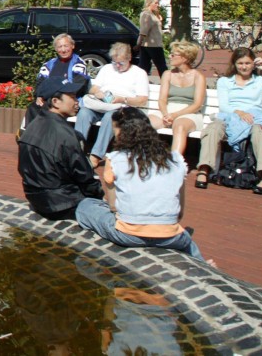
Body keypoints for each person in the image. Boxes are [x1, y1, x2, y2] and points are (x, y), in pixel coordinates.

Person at [75, 107, 205, 261]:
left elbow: (113, 206)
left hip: (128, 235)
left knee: (85, 207)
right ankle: (203, 265)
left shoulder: (115, 159)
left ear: (121, 132)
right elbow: (180, 213)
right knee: (187, 239)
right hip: (171, 237)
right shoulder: (176, 160)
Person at [195, 47, 262, 194]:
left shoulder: (261, 81)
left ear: (254, 64)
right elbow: (224, 106)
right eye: (240, 63)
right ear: (234, 64)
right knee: (213, 129)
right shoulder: (225, 82)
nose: (244, 66)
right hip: (230, 116)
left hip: (254, 118)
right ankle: (204, 169)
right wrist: (239, 112)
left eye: (248, 63)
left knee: (260, 131)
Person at [18, 75, 104, 219]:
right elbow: (84, 177)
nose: (77, 102)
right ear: (55, 102)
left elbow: (23, 169)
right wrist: (99, 195)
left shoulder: (32, 126)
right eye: (72, 97)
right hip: (63, 204)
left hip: (35, 198)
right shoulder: (67, 136)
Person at [75, 42, 149, 168]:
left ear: (129, 58)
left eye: (121, 63)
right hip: (100, 104)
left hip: (122, 108)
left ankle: (96, 156)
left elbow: (142, 100)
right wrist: (98, 93)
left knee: (111, 117)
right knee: (84, 113)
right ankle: (76, 150)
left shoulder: (139, 73)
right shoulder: (107, 69)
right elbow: (93, 88)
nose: (117, 66)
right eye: (115, 62)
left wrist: (123, 99)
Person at [148, 41, 207, 156]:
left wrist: (174, 115)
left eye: (173, 55)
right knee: (145, 123)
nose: (170, 56)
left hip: (190, 112)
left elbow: (197, 104)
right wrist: (165, 114)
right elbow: (162, 100)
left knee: (179, 126)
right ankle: (143, 159)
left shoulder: (198, 76)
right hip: (168, 110)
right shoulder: (167, 74)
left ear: (185, 58)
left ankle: (175, 165)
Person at [137, 0, 167, 75]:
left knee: (143, 67)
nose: (158, 5)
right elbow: (143, 31)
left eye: (158, 3)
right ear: (149, 4)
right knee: (162, 67)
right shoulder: (146, 15)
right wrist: (138, 44)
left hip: (151, 45)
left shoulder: (152, 14)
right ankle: (166, 83)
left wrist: (159, 19)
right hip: (153, 45)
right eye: (156, 3)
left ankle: (139, 83)